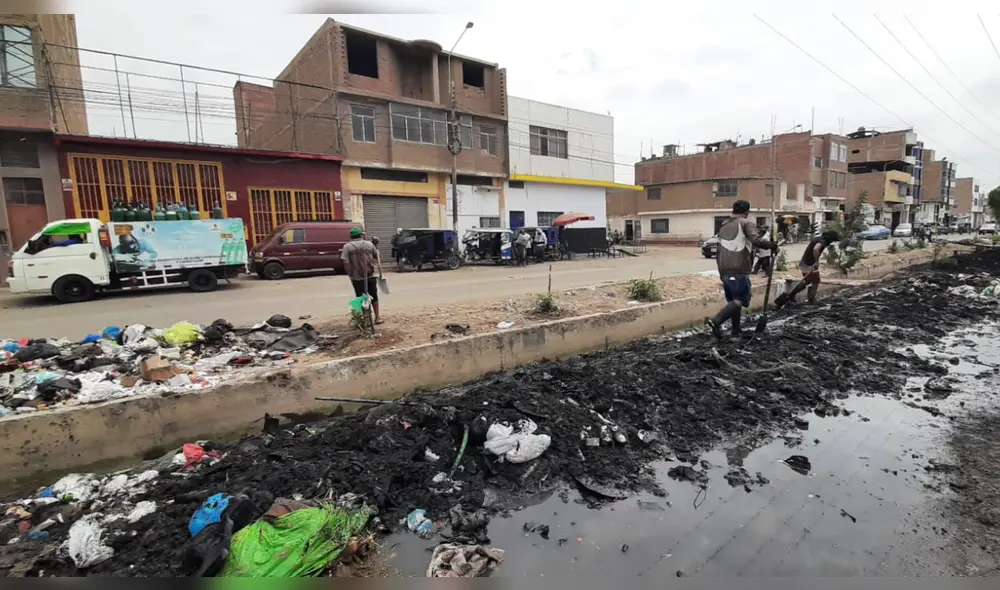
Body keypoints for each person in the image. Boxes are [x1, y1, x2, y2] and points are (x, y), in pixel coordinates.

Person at [706, 200, 778, 339]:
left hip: (724, 270)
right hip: (738, 268)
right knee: (741, 298)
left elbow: (720, 250)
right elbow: (756, 241)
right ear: (747, 212)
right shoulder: (746, 223)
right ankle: (717, 321)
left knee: (734, 301)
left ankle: (736, 330)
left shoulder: (723, 226)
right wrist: (772, 246)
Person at [775, 229, 840, 307]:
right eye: (832, 240)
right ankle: (811, 300)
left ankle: (792, 294)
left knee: (808, 280)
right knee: (815, 280)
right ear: (830, 238)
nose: (832, 242)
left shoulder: (818, 238)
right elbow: (816, 249)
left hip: (805, 263)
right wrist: (816, 262)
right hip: (808, 264)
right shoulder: (823, 241)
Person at [341, 227, 381, 324]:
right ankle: (377, 317)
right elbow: (377, 257)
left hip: (357, 277)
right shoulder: (369, 244)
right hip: (371, 275)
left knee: (361, 298)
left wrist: (350, 273)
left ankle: (366, 319)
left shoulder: (347, 246)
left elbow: (345, 261)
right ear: (361, 235)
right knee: (374, 296)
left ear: (351, 236)